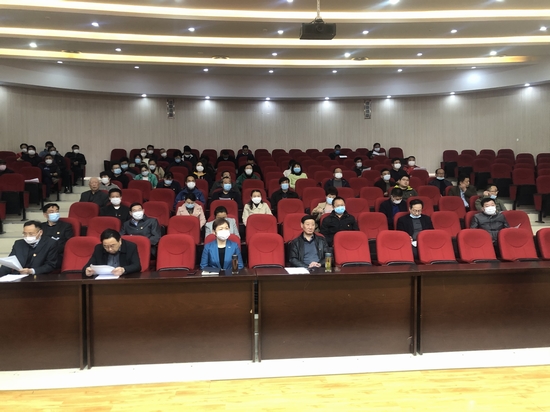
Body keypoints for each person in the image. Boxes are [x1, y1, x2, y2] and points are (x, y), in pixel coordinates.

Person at [41, 203, 74, 268]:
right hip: (42, 254)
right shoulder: (40, 227)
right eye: (52, 212)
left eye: (57, 211)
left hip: (58, 254)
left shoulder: (66, 226)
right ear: (45, 215)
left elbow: (69, 242)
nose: (55, 213)